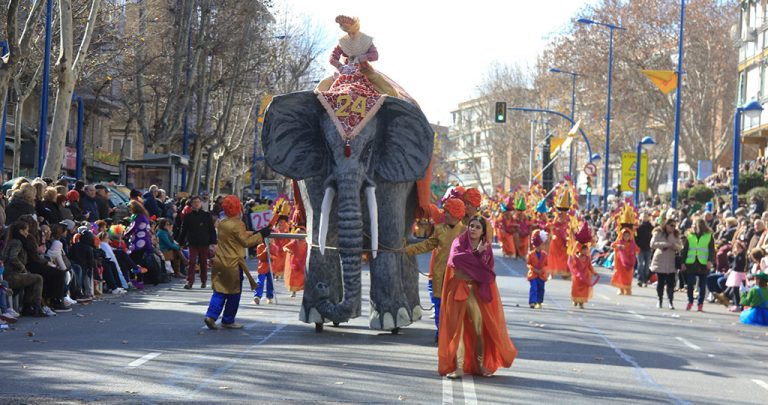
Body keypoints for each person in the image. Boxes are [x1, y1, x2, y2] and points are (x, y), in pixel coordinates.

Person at [438, 215, 517, 378]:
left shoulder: (486, 248)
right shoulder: (459, 242)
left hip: (476, 292)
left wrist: (473, 265)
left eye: (477, 227)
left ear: (483, 232)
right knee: (456, 329)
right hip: (458, 290)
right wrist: (475, 257)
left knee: (479, 329)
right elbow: (456, 261)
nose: (473, 229)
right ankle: (458, 367)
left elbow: (487, 273)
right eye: (471, 226)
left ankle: (480, 364)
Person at [204, 196, 269, 329]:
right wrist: (261, 235)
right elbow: (245, 242)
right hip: (233, 263)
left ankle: (211, 315)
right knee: (234, 293)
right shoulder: (238, 224)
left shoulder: (222, 222)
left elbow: (234, 236)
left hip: (220, 260)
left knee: (219, 290)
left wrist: (252, 233)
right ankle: (228, 320)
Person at [406, 198, 466, 341]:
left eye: (448, 212)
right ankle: (441, 333)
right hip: (439, 275)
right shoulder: (439, 230)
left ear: (456, 213)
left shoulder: (465, 232)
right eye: (445, 211)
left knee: (455, 307)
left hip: (457, 277)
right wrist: (408, 250)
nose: (445, 215)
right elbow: (428, 245)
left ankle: (454, 334)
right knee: (439, 305)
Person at [1, 221, 47, 317]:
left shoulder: (13, 241)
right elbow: (12, 257)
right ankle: (36, 308)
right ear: (21, 231)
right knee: (38, 278)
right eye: (26, 230)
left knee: (32, 277)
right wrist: (23, 269)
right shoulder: (17, 242)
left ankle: (28, 307)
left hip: (11, 274)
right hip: (11, 275)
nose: (27, 232)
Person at [179, 196, 217, 289]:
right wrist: (180, 242)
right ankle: (189, 281)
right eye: (194, 202)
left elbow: (211, 229)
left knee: (203, 262)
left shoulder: (207, 215)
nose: (196, 203)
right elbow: (183, 230)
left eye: (198, 202)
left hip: (204, 242)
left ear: (201, 203)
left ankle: (203, 280)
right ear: (191, 204)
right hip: (192, 242)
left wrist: (213, 242)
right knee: (191, 262)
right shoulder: (188, 216)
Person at [681, 218, 715, 312]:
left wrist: (710, 261)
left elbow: (712, 250)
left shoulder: (708, 236)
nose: (695, 227)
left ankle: (700, 303)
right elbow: (685, 249)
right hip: (692, 262)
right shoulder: (690, 235)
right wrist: (683, 262)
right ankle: (690, 301)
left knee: (702, 285)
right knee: (690, 284)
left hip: (703, 263)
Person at [650, 218, 683, 309]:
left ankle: (670, 301)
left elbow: (680, 246)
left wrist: (675, 246)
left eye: (674, 226)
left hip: (671, 261)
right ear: (666, 225)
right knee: (660, 282)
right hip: (660, 260)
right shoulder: (658, 232)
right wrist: (665, 244)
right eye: (671, 225)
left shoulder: (676, 234)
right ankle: (659, 299)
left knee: (671, 283)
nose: (673, 228)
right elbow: (652, 244)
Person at [569, 221, 598, 309]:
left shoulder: (588, 258)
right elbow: (572, 265)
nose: (585, 251)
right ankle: (575, 300)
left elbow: (590, 266)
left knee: (584, 289)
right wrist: (575, 272)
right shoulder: (576, 258)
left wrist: (594, 272)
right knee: (576, 288)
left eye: (586, 250)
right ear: (580, 250)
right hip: (577, 276)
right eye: (584, 250)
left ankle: (582, 302)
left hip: (586, 276)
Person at [611, 228, 639, 296]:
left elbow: (637, 249)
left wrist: (633, 253)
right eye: (625, 235)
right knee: (621, 275)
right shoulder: (619, 241)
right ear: (622, 236)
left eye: (628, 235)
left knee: (628, 276)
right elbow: (612, 245)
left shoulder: (632, 243)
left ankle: (628, 289)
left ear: (630, 236)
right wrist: (618, 246)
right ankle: (621, 289)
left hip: (629, 262)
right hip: (620, 262)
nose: (626, 237)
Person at [526, 230, 548, 309]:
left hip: (541, 274)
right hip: (533, 274)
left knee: (541, 288)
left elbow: (546, 265)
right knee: (534, 287)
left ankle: (539, 301)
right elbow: (528, 264)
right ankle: (532, 302)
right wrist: (534, 269)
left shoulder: (544, 254)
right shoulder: (531, 254)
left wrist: (542, 270)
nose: (541, 246)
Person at [635, 213, 654, 287]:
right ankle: (640, 279)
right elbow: (635, 238)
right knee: (640, 265)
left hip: (648, 248)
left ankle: (645, 279)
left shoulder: (651, 227)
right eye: (644, 217)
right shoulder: (638, 227)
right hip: (640, 248)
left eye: (646, 217)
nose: (645, 218)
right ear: (641, 218)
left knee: (647, 265)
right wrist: (636, 246)